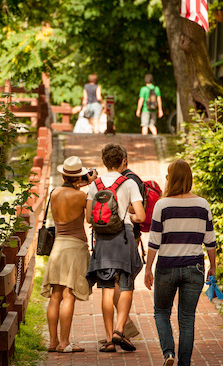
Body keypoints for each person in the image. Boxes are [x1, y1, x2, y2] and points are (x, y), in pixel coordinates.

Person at [144, 159, 217, 366]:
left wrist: (148, 269)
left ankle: (168, 353)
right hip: (194, 266)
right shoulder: (203, 204)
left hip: (167, 266)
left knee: (161, 312)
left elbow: (154, 241)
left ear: (171, 178)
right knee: (187, 319)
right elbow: (210, 241)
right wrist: (213, 267)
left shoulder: (162, 205)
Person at [86, 143, 145, 353]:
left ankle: (110, 340)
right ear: (123, 162)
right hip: (124, 238)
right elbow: (141, 216)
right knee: (127, 284)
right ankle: (120, 330)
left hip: (102, 240)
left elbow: (88, 217)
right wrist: (127, 215)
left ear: (104, 162)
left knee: (106, 288)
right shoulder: (129, 183)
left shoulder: (95, 185)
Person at [41, 156, 97, 353]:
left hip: (58, 246)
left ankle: (53, 341)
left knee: (55, 295)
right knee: (69, 294)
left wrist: (82, 183)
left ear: (63, 174)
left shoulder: (54, 193)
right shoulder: (82, 197)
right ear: (79, 176)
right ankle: (65, 343)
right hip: (75, 247)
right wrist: (91, 185)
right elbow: (90, 219)